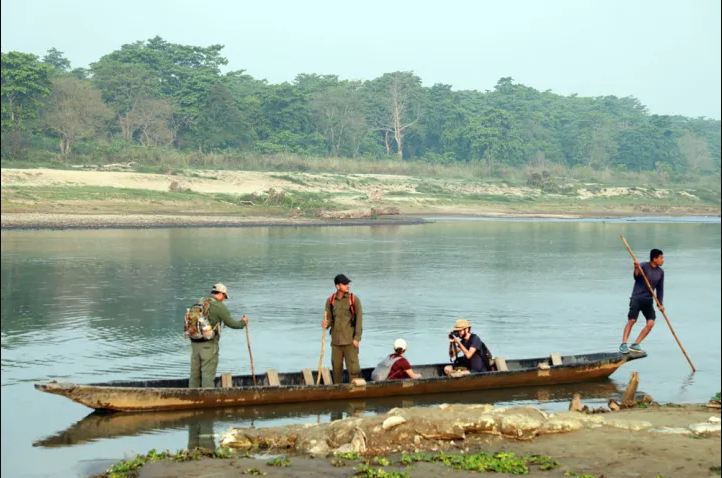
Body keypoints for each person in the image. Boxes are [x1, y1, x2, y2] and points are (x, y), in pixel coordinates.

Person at [190, 283, 249, 388]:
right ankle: (207, 401)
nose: (224, 299)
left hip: (195, 343)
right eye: (225, 297)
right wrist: (243, 322)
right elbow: (232, 324)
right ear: (221, 294)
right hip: (208, 345)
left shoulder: (201, 301)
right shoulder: (219, 307)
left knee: (195, 374)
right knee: (208, 374)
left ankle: (191, 398)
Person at [619, 248, 665, 354]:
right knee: (632, 320)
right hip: (637, 298)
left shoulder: (660, 272)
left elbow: (660, 289)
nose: (663, 260)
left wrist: (660, 304)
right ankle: (623, 344)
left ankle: (635, 344)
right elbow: (636, 276)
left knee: (651, 323)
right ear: (654, 259)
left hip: (648, 300)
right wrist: (636, 268)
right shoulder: (643, 266)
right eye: (661, 258)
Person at [321, 274, 363, 384]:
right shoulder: (330, 301)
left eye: (348, 283)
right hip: (336, 343)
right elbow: (329, 320)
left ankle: (356, 393)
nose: (348, 286)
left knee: (354, 370)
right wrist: (326, 324)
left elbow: (359, 320)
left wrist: (357, 338)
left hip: (350, 342)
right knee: (336, 369)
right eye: (345, 284)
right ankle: (338, 391)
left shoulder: (354, 300)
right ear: (337, 286)